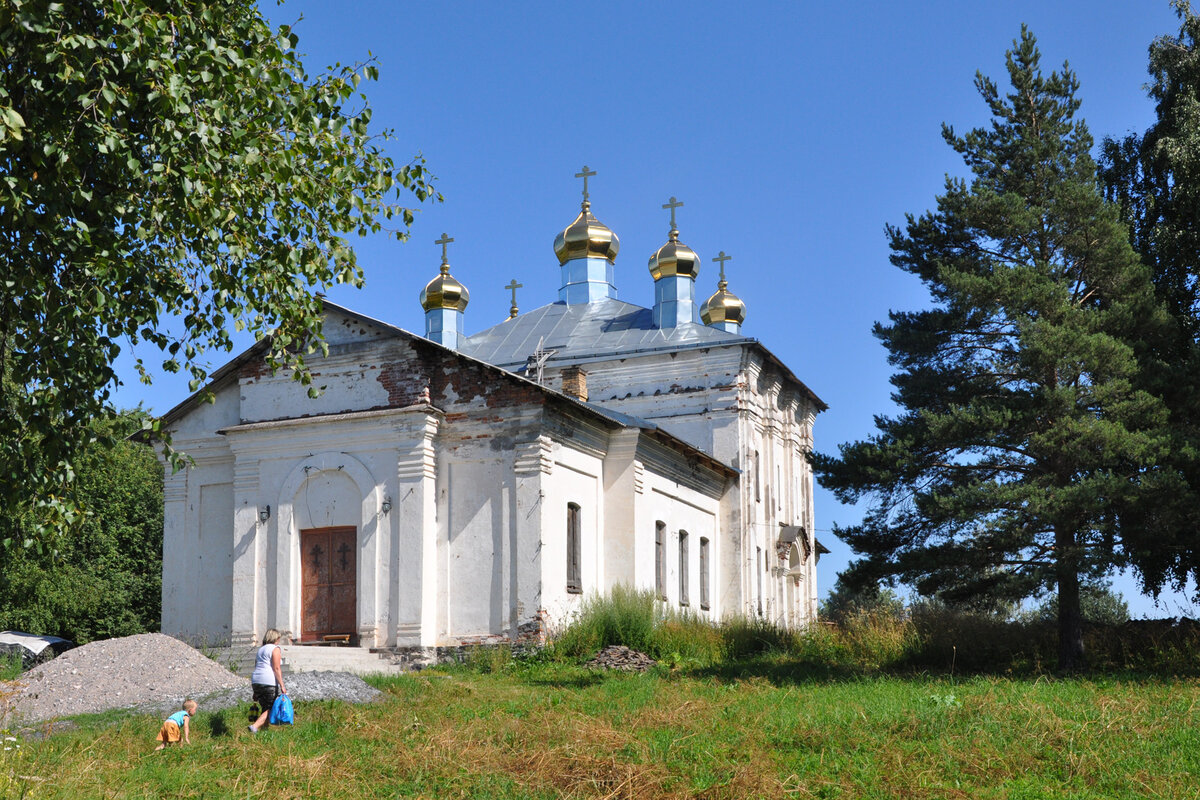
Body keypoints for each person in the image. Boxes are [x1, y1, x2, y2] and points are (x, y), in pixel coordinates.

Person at [247, 628, 287, 734]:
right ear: (276, 638)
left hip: (256, 680)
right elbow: (276, 668)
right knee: (272, 708)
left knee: (265, 708)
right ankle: (254, 727)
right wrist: (282, 685)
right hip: (268, 681)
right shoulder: (275, 649)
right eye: (278, 638)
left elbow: (257, 665)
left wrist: (255, 691)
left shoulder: (260, 650)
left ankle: (265, 732)